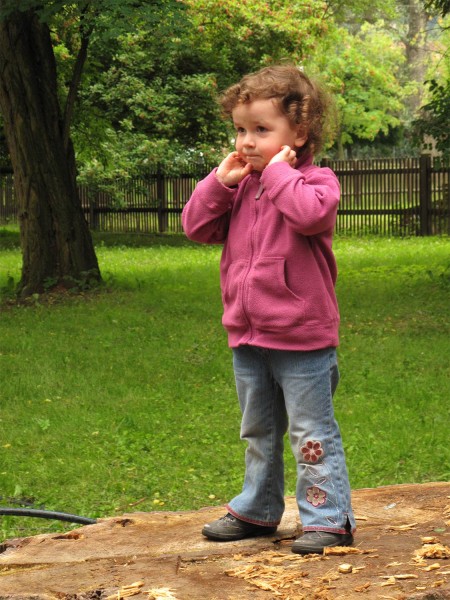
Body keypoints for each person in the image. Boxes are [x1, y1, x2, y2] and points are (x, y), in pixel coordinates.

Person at [181, 65, 355, 555]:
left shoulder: (315, 181)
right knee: (258, 429)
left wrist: (278, 172)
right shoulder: (240, 189)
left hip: (302, 338)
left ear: (298, 134)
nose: (247, 141)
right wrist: (220, 182)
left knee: (310, 433)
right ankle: (257, 510)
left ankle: (329, 518)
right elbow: (196, 227)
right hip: (248, 333)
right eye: (240, 129)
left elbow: (310, 214)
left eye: (261, 129)